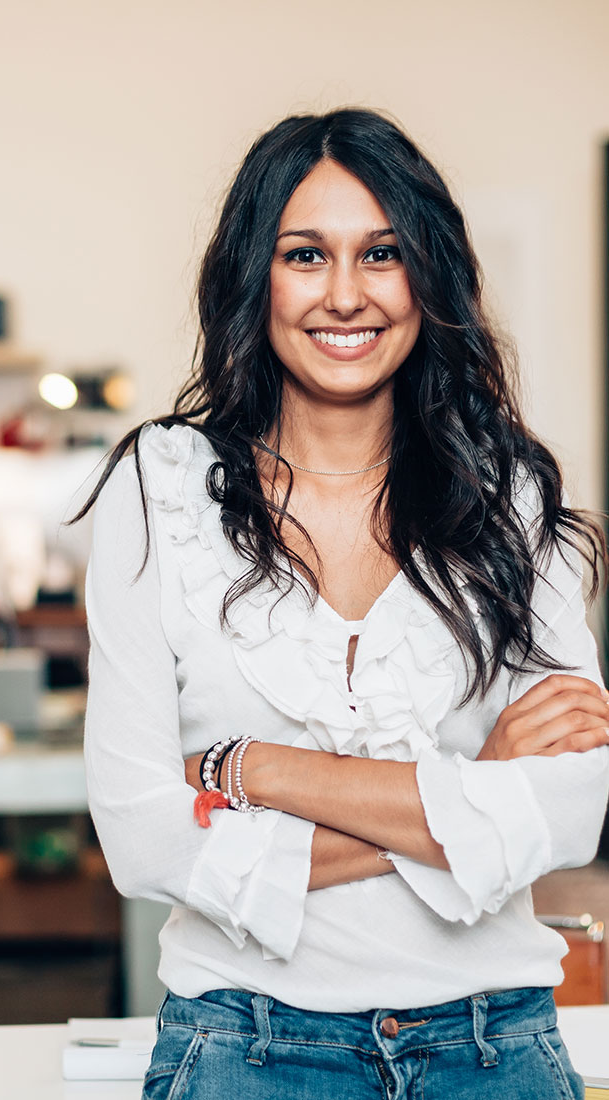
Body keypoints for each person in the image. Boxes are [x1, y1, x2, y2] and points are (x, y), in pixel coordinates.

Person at [81, 109, 609, 1099]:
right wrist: (469, 790)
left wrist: (260, 769)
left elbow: (571, 806)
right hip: (245, 1044)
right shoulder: (157, 487)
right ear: (255, 275)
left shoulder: (506, 489)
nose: (344, 293)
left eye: (380, 252)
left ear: (426, 275)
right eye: (303, 254)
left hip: (493, 1043)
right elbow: (143, 836)